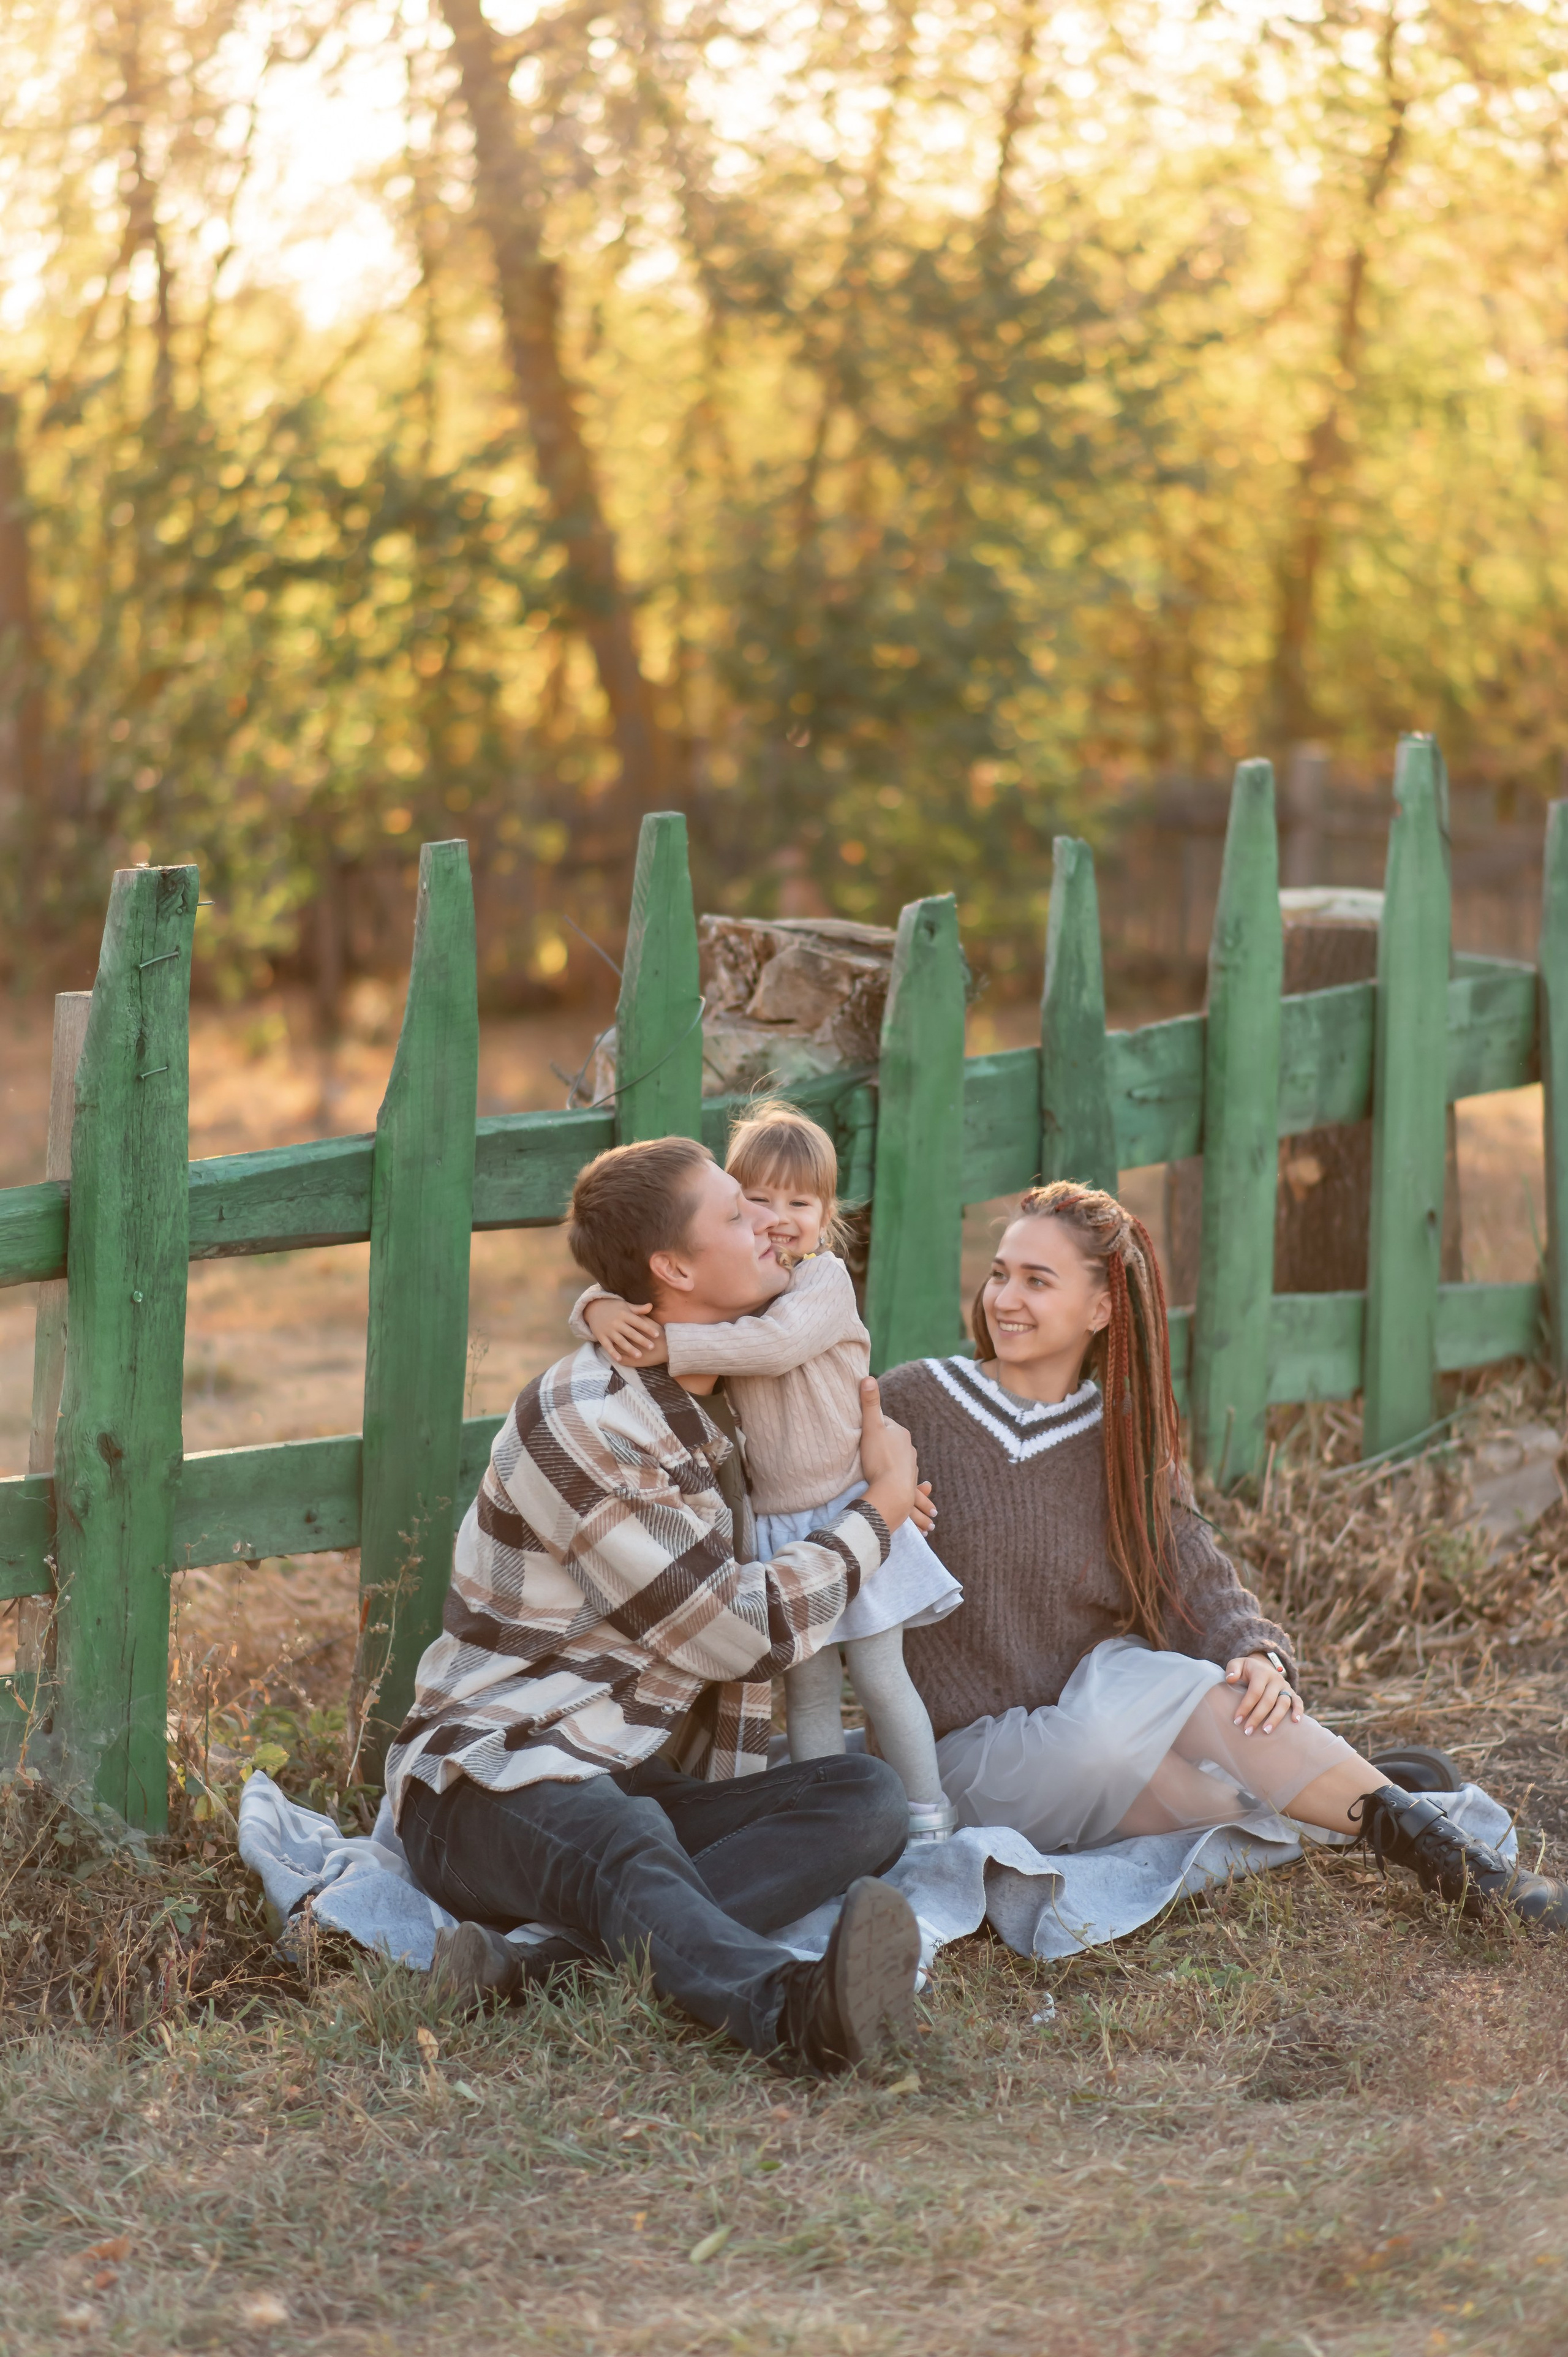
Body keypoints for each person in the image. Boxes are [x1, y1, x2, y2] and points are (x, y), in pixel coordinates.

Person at [878, 1180, 1568, 1929]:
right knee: (1145, 1760)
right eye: (1001, 1273)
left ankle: (1461, 1866)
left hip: (1101, 1712)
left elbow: (1191, 1568)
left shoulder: (1122, 1435)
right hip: (970, 1754)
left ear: (1102, 1307)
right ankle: (1382, 1800)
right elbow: (811, 1495)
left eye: (1036, 1280)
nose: (1005, 1297)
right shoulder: (916, 1400)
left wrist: (1256, 1651)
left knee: (1192, 1726)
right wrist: (874, 1510)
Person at [385, 1134, 932, 2074]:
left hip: (626, 1761)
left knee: (864, 1796)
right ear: (674, 1269)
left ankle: (530, 1977)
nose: (769, 1219)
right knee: (626, 1838)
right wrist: (878, 1514)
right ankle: (796, 2012)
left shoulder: (735, 1397)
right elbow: (738, 1633)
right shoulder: (588, 1423)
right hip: (494, 1772)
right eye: (736, 1212)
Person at [575, 1101, 960, 1843]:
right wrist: (595, 1307)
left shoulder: (821, 1284)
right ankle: (829, 1829)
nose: (779, 1216)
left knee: (881, 1680)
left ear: (827, 1214)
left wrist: (671, 1345)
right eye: (758, 1198)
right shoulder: (728, 1291)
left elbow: (776, 1345)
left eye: (802, 1201)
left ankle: (926, 1814)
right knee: (807, 1694)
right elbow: (638, 1280)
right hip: (779, 1526)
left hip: (853, 1500)